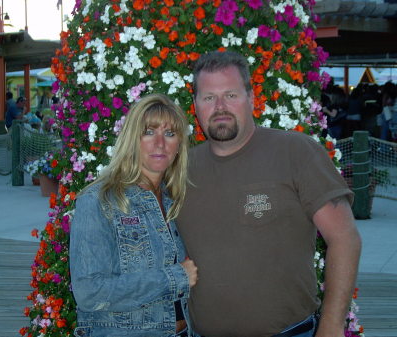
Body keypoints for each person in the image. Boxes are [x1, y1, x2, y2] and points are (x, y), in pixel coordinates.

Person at [176, 51, 362, 337]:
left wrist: (331, 327)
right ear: (196, 105)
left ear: (251, 98)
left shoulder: (295, 152)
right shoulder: (182, 170)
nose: (220, 106)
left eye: (231, 95)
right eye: (209, 97)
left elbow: (345, 237)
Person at [70, 93, 198, 337]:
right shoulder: (99, 201)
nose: (160, 143)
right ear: (132, 139)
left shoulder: (177, 201)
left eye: (170, 134)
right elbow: (89, 293)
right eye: (149, 132)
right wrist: (174, 277)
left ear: (179, 145)